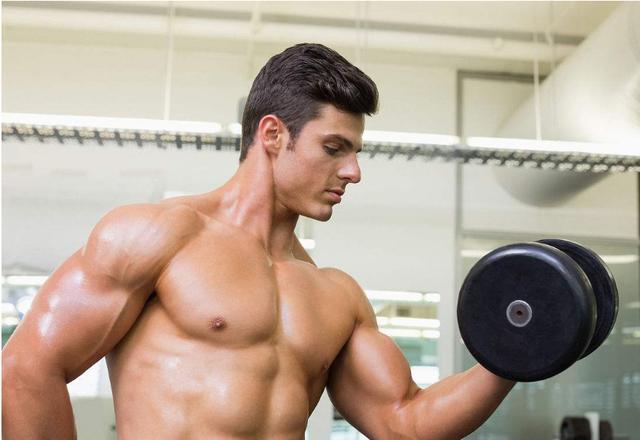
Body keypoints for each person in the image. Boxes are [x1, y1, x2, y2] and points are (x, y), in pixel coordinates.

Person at [2, 43, 514, 439]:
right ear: (272, 135)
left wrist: (517, 352)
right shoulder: (161, 237)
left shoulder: (336, 295)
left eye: (355, 153)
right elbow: (27, 367)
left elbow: (405, 423)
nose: (353, 172)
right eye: (333, 148)